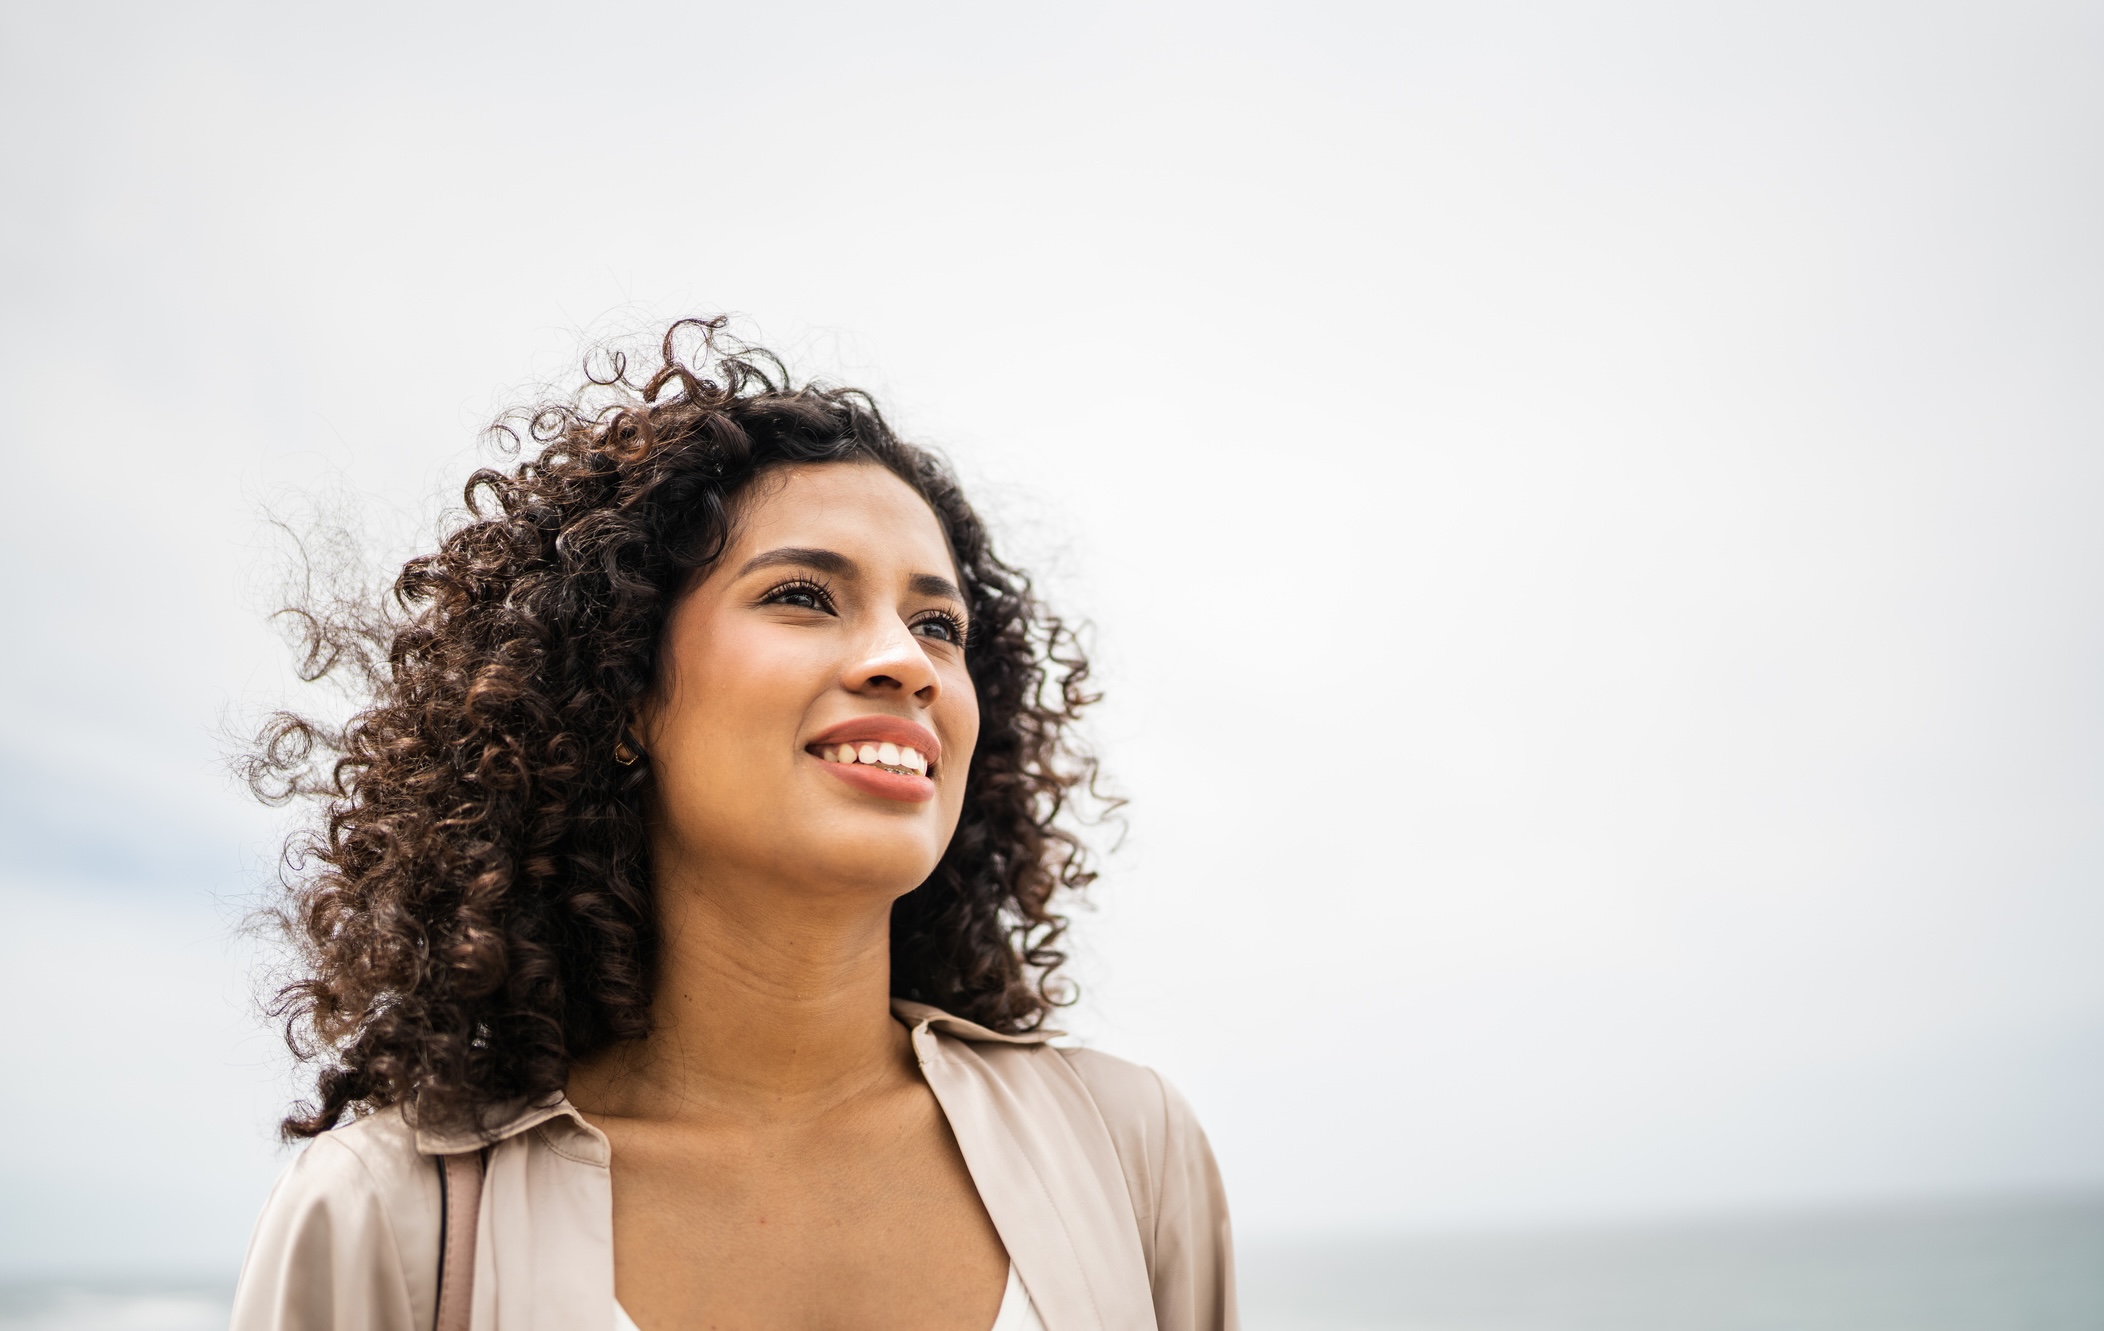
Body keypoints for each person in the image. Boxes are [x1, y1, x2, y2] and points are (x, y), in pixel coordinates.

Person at [229, 320, 1237, 1331]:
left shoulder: (1125, 1150)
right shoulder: (389, 1215)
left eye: (939, 624)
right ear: (623, 688)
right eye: (802, 595)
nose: (909, 661)